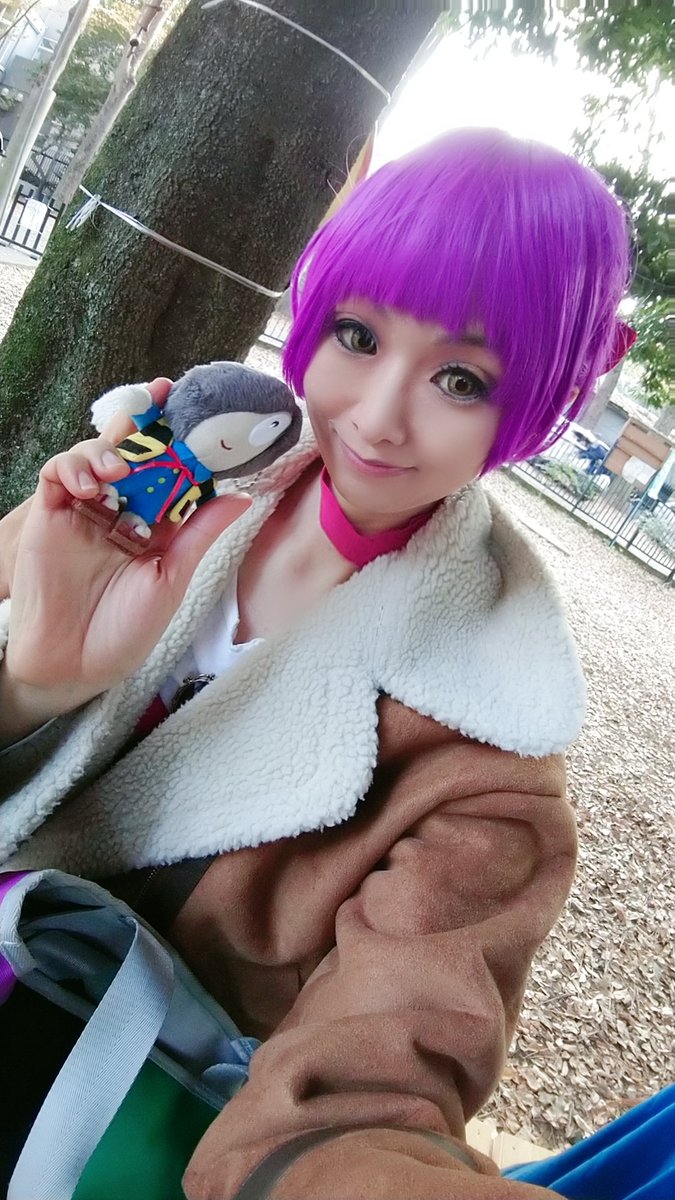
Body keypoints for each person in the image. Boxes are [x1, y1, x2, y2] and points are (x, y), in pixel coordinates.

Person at [0, 128, 632, 1199]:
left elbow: (365, 1096)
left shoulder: (486, 761)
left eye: (461, 378)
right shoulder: (167, 473)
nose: (377, 418)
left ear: (536, 401)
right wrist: (32, 687)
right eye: (356, 333)